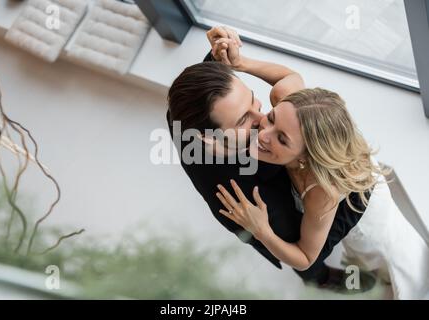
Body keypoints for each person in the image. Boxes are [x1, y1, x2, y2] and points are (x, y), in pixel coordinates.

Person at [167, 26, 375, 292]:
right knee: (312, 257)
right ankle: (320, 279)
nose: (263, 122)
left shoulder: (182, 111)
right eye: (244, 120)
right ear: (209, 138)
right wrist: (262, 231)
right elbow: (303, 255)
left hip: (333, 190)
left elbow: (208, 87)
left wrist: (234, 61)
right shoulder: (257, 203)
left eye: (255, 103)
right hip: (272, 221)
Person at [215, 81, 429, 298]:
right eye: (270, 118)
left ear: (305, 157)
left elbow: (306, 259)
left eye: (282, 138)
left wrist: (262, 231)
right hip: (346, 163)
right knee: (361, 267)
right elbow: (286, 76)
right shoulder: (296, 112)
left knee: (386, 267)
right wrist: (241, 62)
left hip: (368, 217)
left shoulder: (322, 193)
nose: (262, 135)